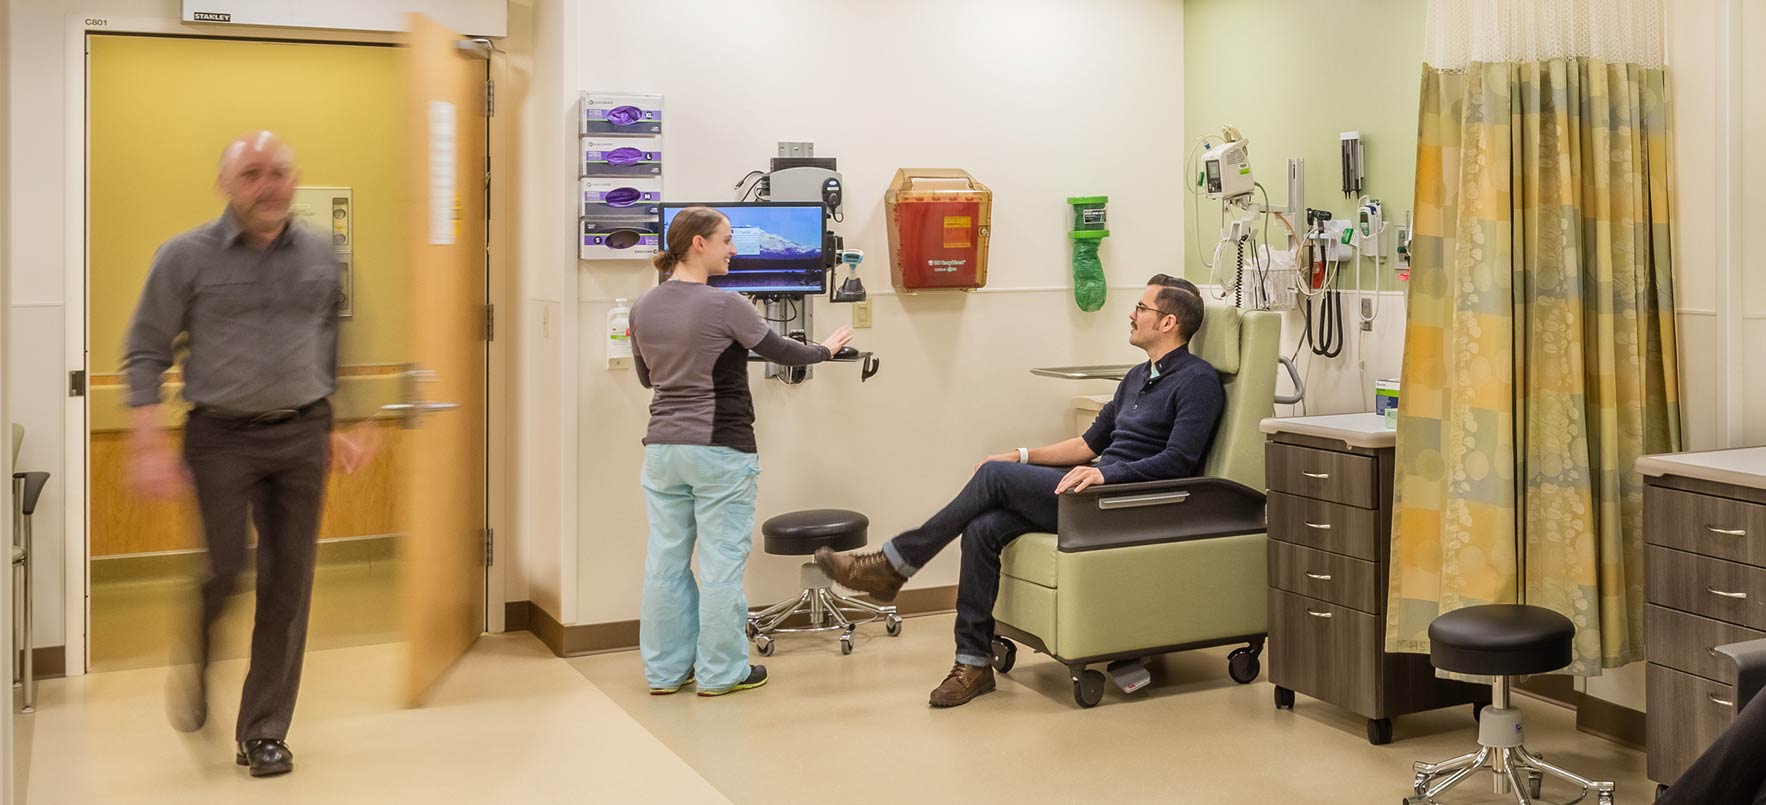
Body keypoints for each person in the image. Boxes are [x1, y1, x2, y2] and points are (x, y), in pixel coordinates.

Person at [817, 274, 1223, 707]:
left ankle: (892, 564)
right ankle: (972, 663)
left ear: (1168, 323)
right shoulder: (1138, 376)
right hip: (1095, 491)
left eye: (1142, 308)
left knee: (991, 480)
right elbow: (1087, 444)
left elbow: (1179, 462)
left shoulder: (1197, 381)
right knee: (984, 527)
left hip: (1124, 504)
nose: (1132, 313)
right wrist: (1021, 455)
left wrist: (1107, 476)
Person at [124, 131, 370, 777]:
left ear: (296, 179)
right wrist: (147, 441)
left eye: (281, 172)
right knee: (226, 569)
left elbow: (328, 342)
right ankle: (199, 655)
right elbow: (145, 350)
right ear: (227, 184)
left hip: (300, 434)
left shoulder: (321, 252)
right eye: (254, 173)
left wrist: (333, 422)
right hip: (220, 436)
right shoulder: (184, 256)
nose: (271, 185)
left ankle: (262, 731)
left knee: (289, 585)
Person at [630, 206, 853, 697]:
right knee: (720, 569)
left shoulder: (642, 306)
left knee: (664, 564)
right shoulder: (725, 304)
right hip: (719, 450)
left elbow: (648, 377)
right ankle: (720, 672)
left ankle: (665, 672)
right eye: (727, 240)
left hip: (663, 450)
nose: (734, 250)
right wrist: (827, 350)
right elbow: (783, 351)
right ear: (698, 245)